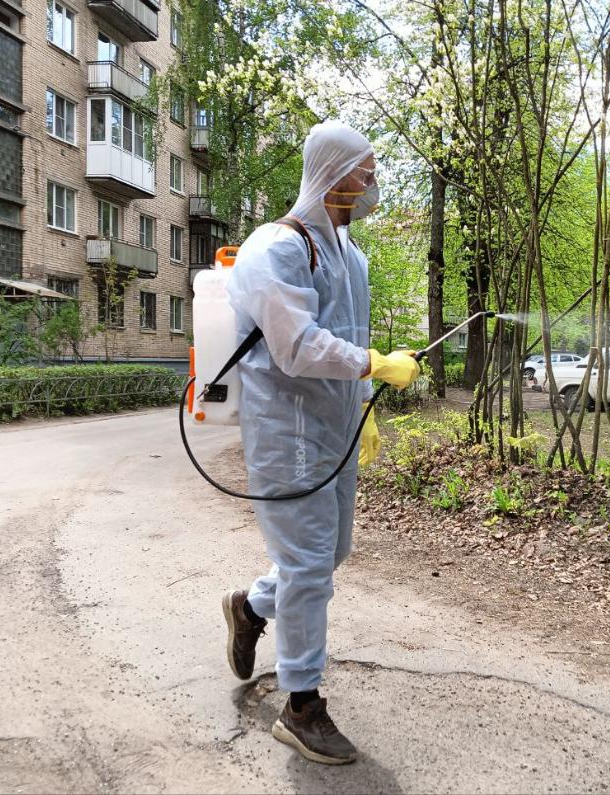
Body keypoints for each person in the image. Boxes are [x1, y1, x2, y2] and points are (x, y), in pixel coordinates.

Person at [220, 120, 419, 765]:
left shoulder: (350, 253)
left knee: (326, 555)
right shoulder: (277, 247)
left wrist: (365, 410)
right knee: (308, 565)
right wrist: (373, 364)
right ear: (333, 173)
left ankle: (250, 608)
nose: (373, 182)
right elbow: (297, 347)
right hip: (289, 430)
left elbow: (348, 329)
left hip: (335, 425)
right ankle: (301, 706)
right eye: (365, 169)